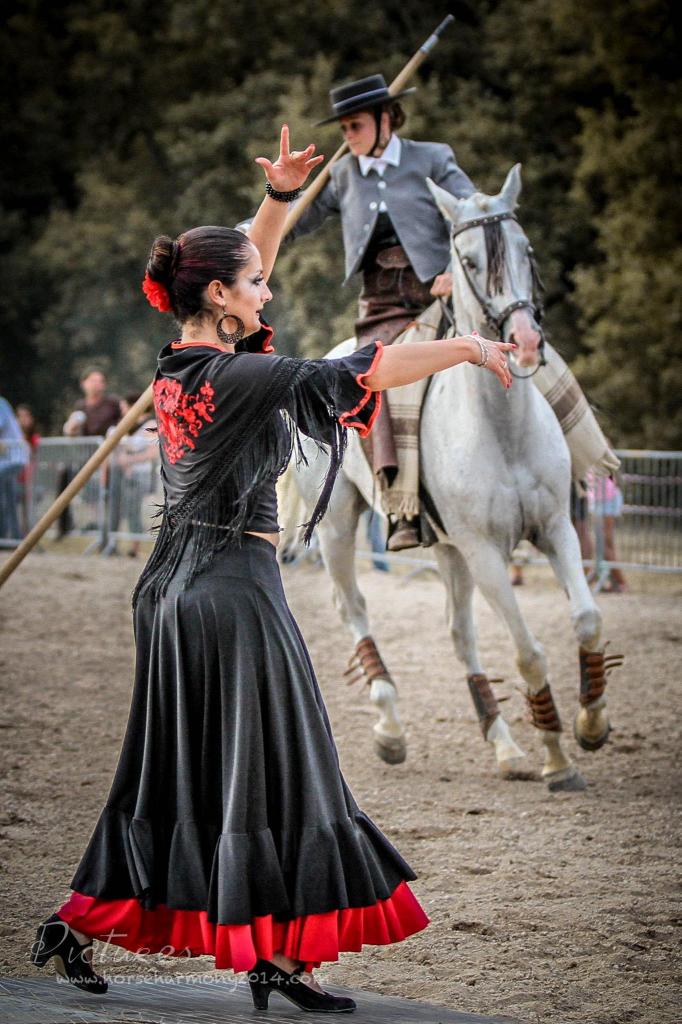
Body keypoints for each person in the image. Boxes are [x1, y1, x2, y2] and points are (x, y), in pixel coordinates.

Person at [30, 127, 514, 1012]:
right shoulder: (244, 379)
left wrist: (282, 201)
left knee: (171, 776)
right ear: (218, 296)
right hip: (230, 594)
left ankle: (82, 925)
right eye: (254, 285)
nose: (269, 288)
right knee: (292, 770)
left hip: (173, 591)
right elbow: (364, 365)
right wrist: (469, 349)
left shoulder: (186, 364)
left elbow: (242, 268)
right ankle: (275, 955)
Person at [284, 74, 476, 551]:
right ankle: (400, 507)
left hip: (439, 298)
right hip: (381, 308)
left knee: (517, 338)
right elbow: (295, 221)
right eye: (344, 128)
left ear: (386, 118)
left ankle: (567, 466)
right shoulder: (342, 173)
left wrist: (455, 266)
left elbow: (474, 213)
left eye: (355, 125)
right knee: (376, 380)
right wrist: (245, 233)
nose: (348, 136)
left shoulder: (433, 158)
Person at [58, 369, 121, 538]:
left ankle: (107, 530)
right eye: (92, 380)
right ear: (83, 383)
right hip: (87, 457)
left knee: (108, 492)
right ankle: (64, 525)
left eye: (100, 381)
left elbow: (125, 421)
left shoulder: (112, 403)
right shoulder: (81, 406)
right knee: (65, 475)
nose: (96, 384)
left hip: (110, 457)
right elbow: (71, 431)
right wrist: (70, 429)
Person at [104, 394, 158, 558]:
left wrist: (129, 460)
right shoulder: (124, 426)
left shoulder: (151, 425)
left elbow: (153, 452)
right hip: (121, 475)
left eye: (124, 407)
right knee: (117, 509)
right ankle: (112, 543)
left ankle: (134, 547)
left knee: (133, 510)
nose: (122, 411)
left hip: (140, 476)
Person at [0, 394, 30, 540]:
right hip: (5, 461)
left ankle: (4, 537)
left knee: (5, 499)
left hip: (14, 458)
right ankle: (14, 538)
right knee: (9, 499)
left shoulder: (1, 403)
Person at [15, 404, 41, 536]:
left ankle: (28, 536)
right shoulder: (12, 439)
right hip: (15, 480)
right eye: (20, 416)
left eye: (26, 416)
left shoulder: (35, 439)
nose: (23, 420)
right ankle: (15, 535)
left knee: (28, 512)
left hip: (30, 480)